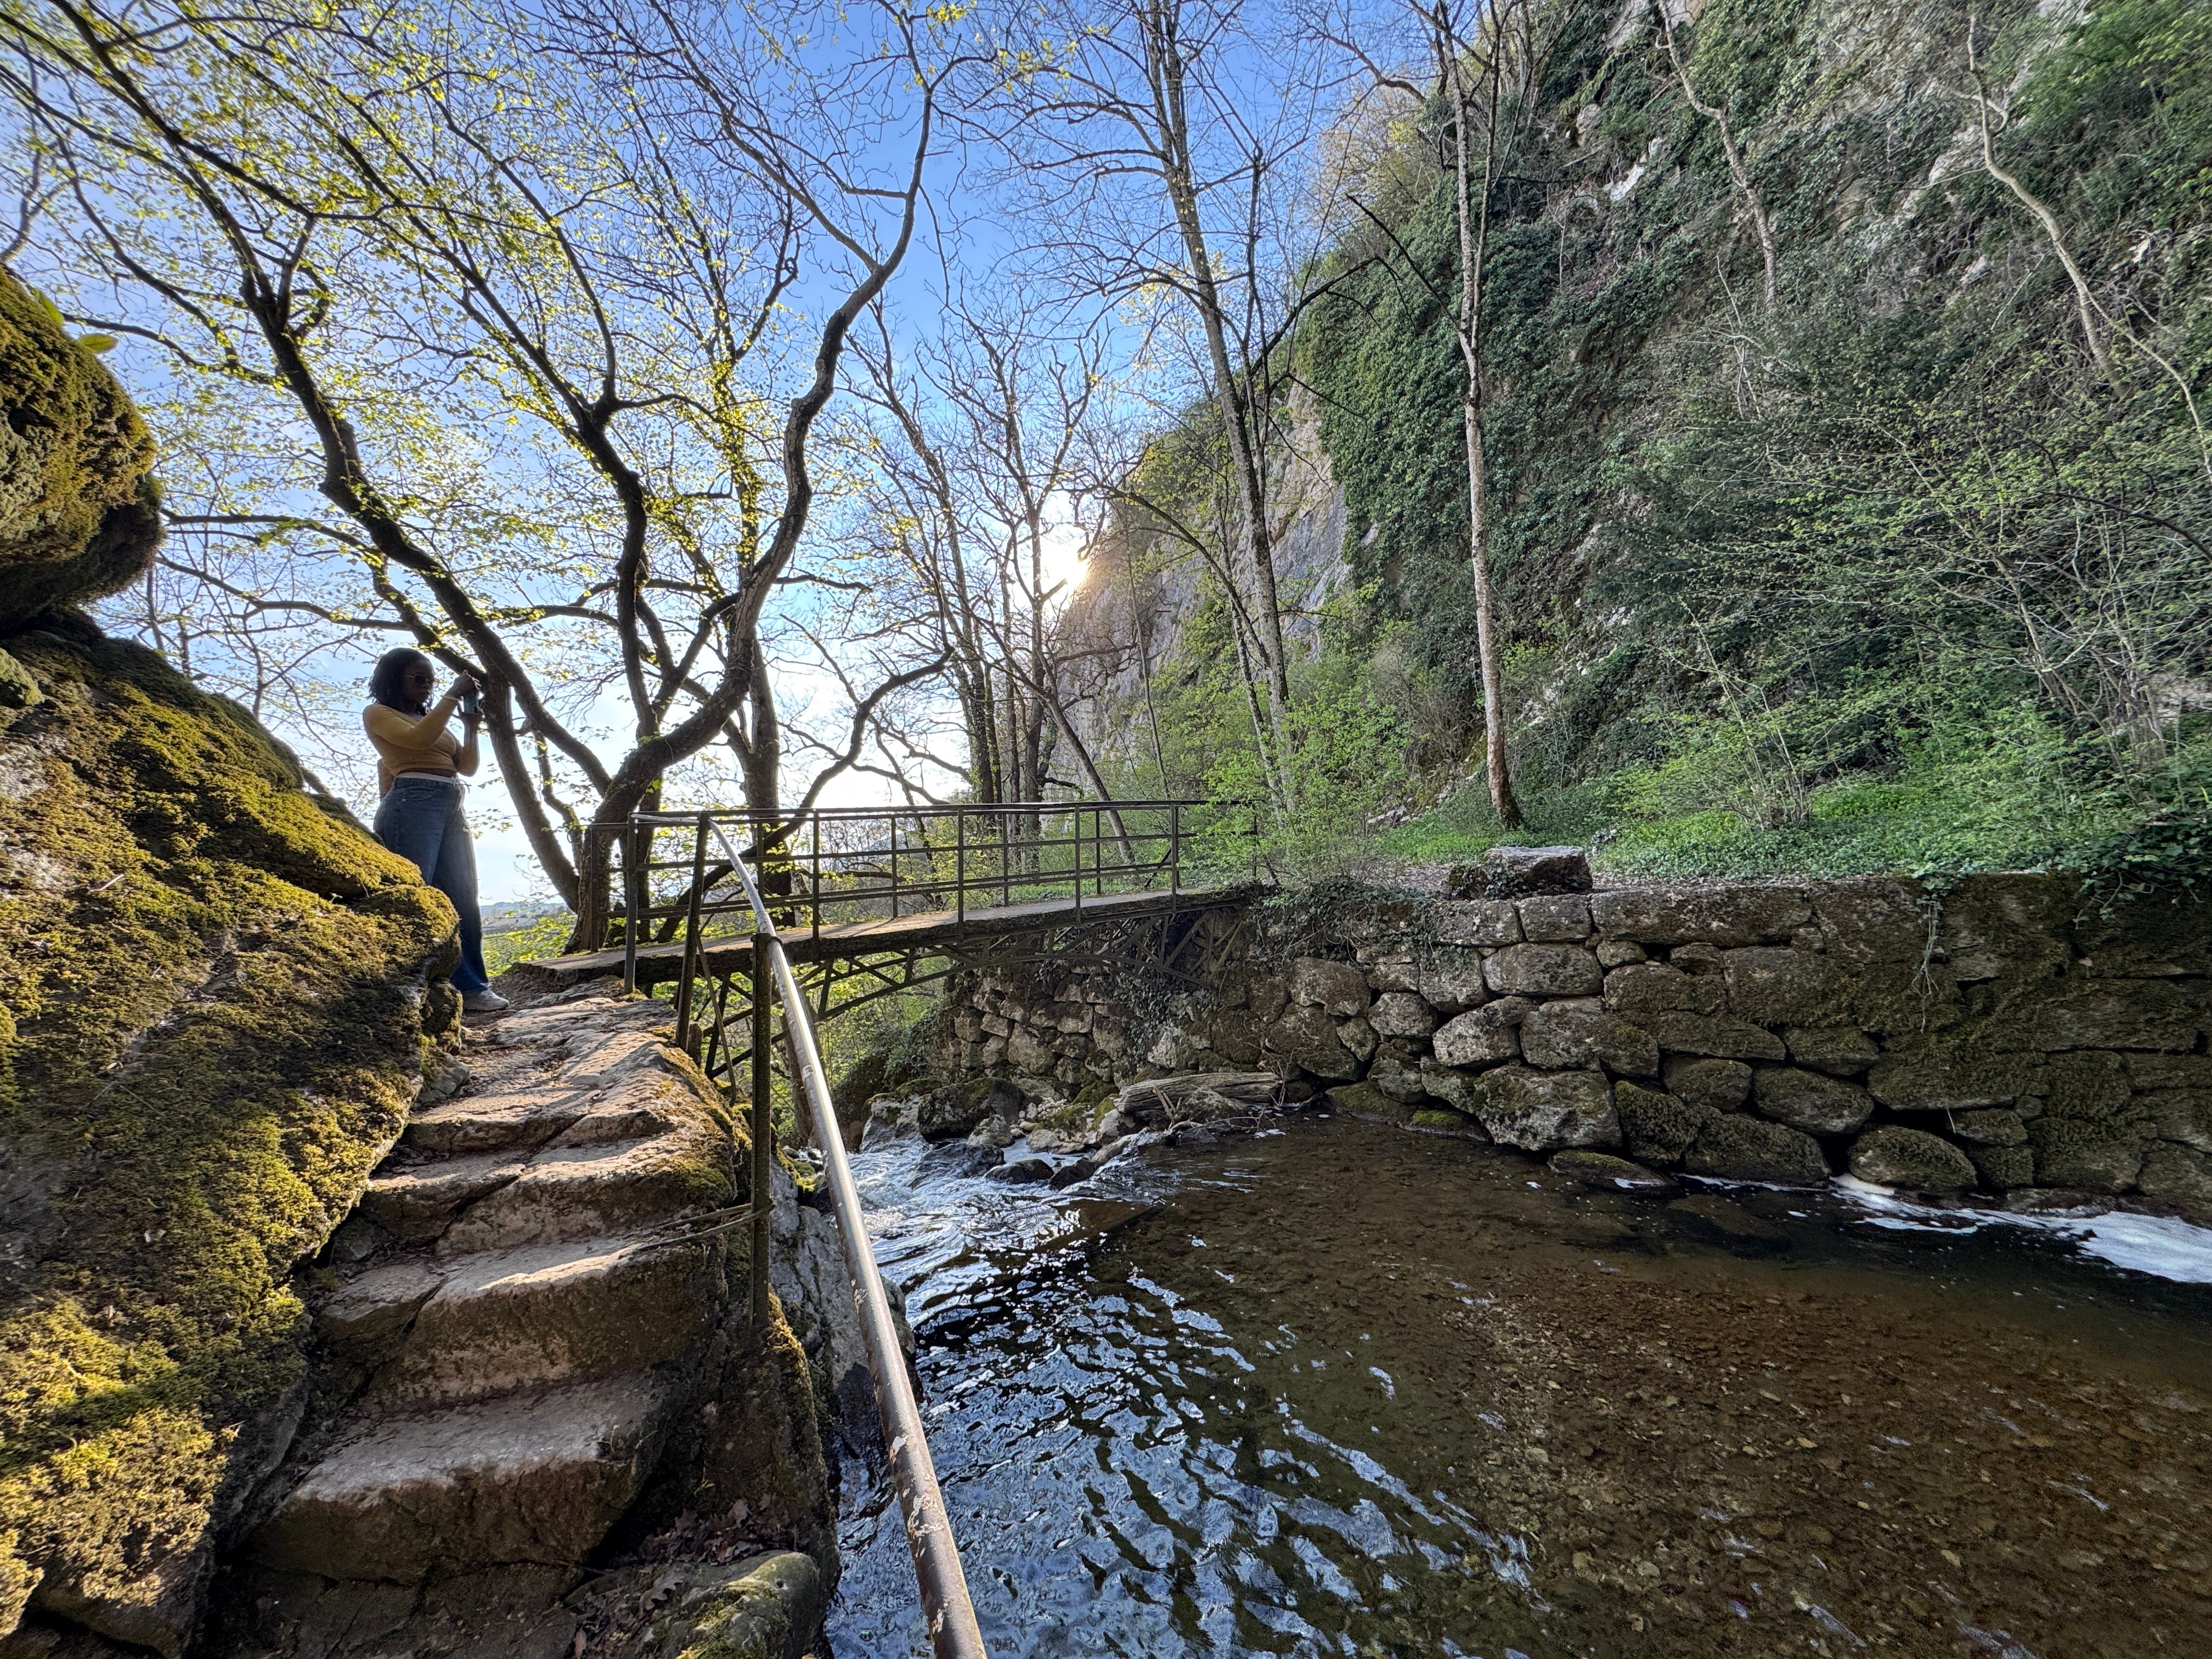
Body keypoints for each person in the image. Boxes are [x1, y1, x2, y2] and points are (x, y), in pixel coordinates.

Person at [364, 648, 509, 1013]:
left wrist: (471, 727)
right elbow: (417, 743)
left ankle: (472, 988)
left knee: (463, 896)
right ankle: (410, 985)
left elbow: (468, 767)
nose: (427, 685)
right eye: (418, 678)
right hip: (412, 804)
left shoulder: (432, 720)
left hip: (450, 803)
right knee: (416, 895)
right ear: (395, 679)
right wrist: (451, 695)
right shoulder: (379, 714)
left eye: (431, 679)